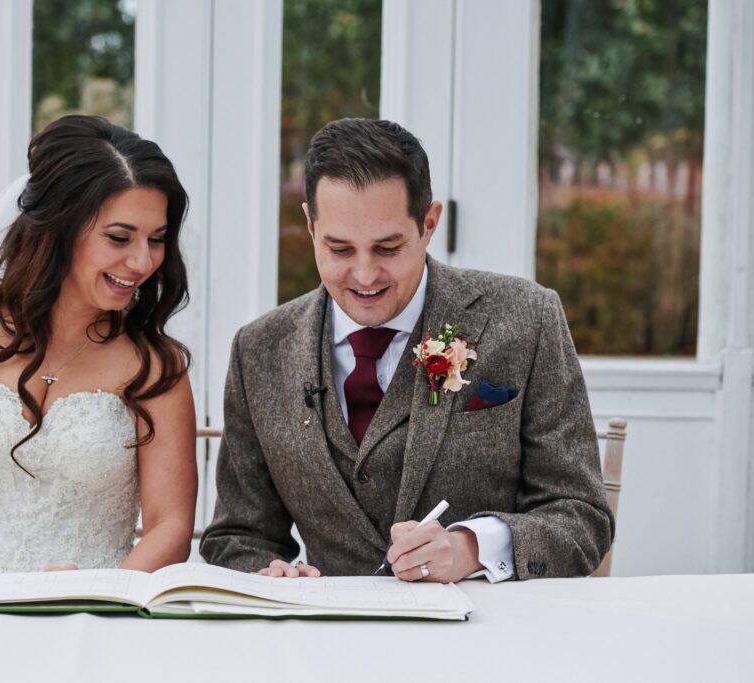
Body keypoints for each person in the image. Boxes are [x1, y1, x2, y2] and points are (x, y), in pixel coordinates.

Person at [200, 118, 613, 582]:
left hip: (483, 638)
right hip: (321, 643)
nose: (364, 275)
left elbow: (583, 519)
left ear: (429, 223)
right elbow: (237, 537)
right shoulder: (258, 350)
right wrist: (266, 574)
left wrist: (472, 548)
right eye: (339, 249)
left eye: (388, 247)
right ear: (310, 227)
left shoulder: (527, 318)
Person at [0, 115, 197, 573]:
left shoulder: (156, 367)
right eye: (119, 237)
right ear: (60, 227)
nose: (143, 261)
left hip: (98, 611)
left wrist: (97, 598)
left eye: (156, 240)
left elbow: (170, 527)